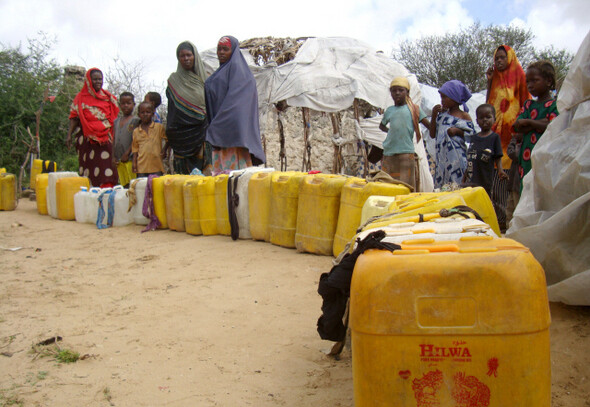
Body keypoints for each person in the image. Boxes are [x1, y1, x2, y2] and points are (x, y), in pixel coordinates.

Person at [204, 36, 265, 174]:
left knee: (235, 178)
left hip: (234, 134)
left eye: (225, 49)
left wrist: (218, 125)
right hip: (221, 134)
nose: (221, 52)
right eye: (219, 49)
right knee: (223, 180)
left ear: (234, 51)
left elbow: (237, 104)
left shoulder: (240, 74)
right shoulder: (221, 73)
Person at [486, 45, 530, 229]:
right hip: (496, 136)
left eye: (502, 58)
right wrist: (488, 83)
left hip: (512, 137)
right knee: (495, 180)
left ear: (510, 58)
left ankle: (508, 221)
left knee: (508, 181)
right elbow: (488, 104)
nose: (499, 61)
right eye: (496, 58)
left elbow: (525, 101)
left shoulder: (519, 76)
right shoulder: (494, 78)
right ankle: (497, 219)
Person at [66, 68, 120, 188]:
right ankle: (90, 190)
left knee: (107, 164)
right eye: (95, 79)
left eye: (100, 79)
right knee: (89, 164)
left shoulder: (108, 97)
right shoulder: (80, 98)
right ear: (89, 80)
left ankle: (107, 189)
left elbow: (114, 118)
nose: (98, 82)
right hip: (87, 137)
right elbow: (74, 117)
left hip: (106, 136)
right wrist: (69, 134)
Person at [166, 41, 211, 175]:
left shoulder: (205, 79)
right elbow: (172, 112)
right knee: (183, 181)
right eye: (182, 56)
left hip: (201, 133)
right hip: (180, 137)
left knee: (205, 180)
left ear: (195, 56)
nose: (186, 59)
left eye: (189, 55)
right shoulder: (174, 81)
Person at [513, 60, 559, 192]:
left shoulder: (555, 105)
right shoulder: (528, 105)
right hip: (527, 159)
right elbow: (517, 126)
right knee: (527, 190)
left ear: (549, 81)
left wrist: (530, 122)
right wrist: (541, 123)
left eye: (534, 81)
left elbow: (553, 126)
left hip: (546, 158)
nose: (530, 85)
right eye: (527, 82)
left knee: (543, 191)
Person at [379, 76, 430, 191]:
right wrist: (390, 132)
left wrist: (436, 115)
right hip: (389, 153)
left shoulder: (414, 109)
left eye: (401, 90)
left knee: (407, 186)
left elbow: (430, 127)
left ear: (407, 92)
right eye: (394, 90)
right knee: (387, 184)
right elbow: (381, 126)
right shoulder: (390, 111)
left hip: (406, 153)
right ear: (390, 93)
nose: (397, 93)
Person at [430, 80, 475, 189]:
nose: (442, 100)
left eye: (445, 97)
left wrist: (458, 131)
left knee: (457, 187)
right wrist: (434, 115)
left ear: (455, 98)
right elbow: (432, 134)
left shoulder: (464, 116)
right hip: (442, 162)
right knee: (442, 189)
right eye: (441, 97)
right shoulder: (441, 117)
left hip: (457, 161)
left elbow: (473, 137)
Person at [463, 104, 507, 197]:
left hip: (485, 178)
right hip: (472, 179)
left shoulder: (494, 137)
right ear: (477, 121)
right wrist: (465, 176)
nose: (485, 120)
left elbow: (498, 156)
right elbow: (471, 158)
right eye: (481, 117)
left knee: (485, 198)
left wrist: (500, 170)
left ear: (494, 119)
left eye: (488, 117)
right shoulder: (474, 138)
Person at [132, 102, 167, 177]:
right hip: (141, 167)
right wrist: (134, 163)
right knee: (142, 187)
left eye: (148, 112)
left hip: (157, 166)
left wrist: (165, 150)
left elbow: (168, 139)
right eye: (142, 112)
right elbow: (135, 149)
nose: (145, 114)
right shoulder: (136, 131)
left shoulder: (158, 127)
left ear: (152, 113)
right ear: (139, 115)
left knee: (156, 186)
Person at [114, 92, 140, 188]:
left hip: (130, 159)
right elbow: (114, 140)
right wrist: (113, 156)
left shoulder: (136, 121)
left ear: (134, 104)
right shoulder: (116, 121)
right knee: (123, 185)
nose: (126, 106)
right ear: (119, 105)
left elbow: (136, 139)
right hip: (119, 160)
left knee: (133, 185)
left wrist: (127, 153)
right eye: (123, 103)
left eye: (128, 103)